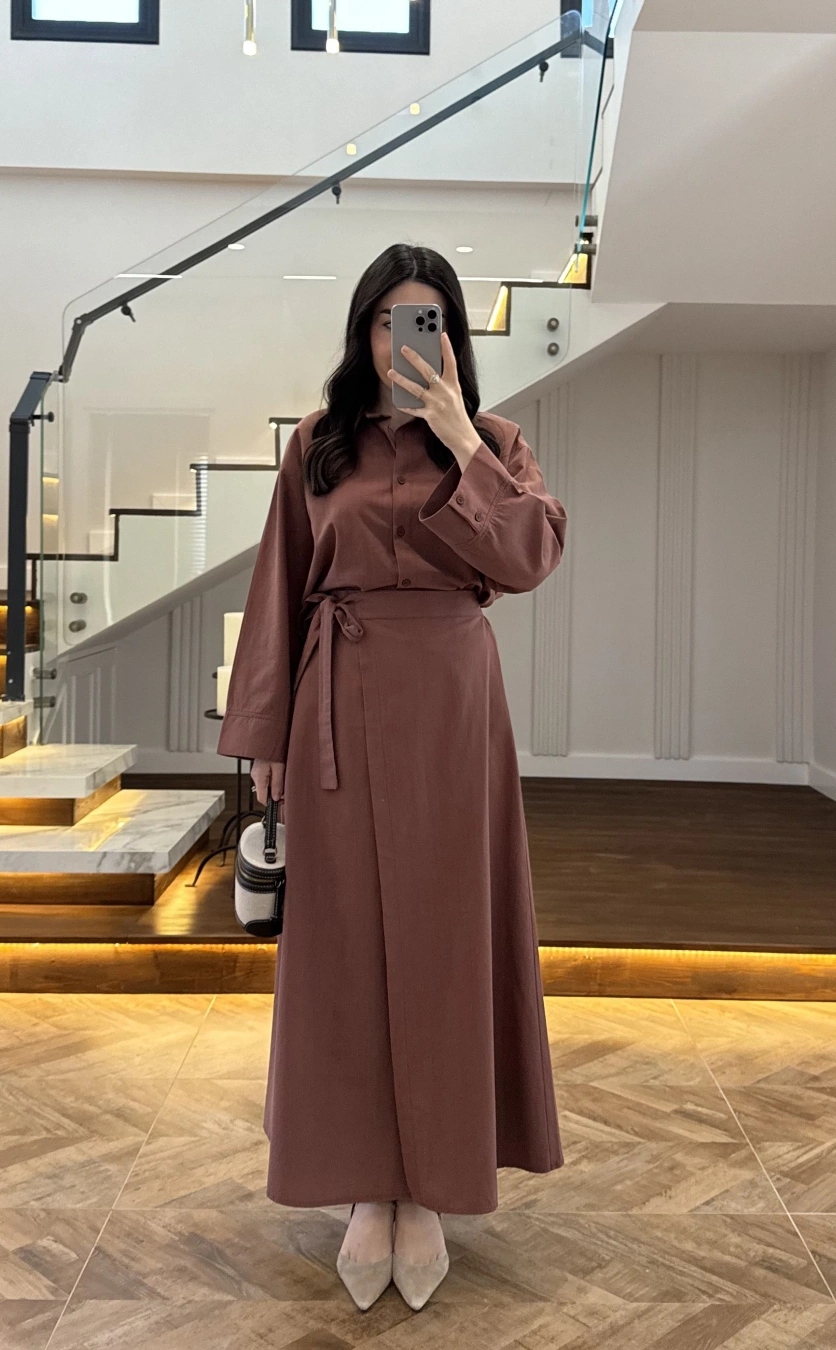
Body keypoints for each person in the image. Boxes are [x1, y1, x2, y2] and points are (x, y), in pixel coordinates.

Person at [218, 242, 567, 1313]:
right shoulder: (317, 445)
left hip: (453, 710)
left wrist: (461, 438)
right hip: (338, 696)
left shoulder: (495, 443)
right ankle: (368, 1184)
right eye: (385, 321)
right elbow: (279, 583)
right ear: (362, 331)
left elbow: (530, 557)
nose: (400, 341)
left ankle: (435, 1186)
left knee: (448, 941)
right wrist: (266, 735)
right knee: (346, 947)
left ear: (451, 337)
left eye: (424, 321)